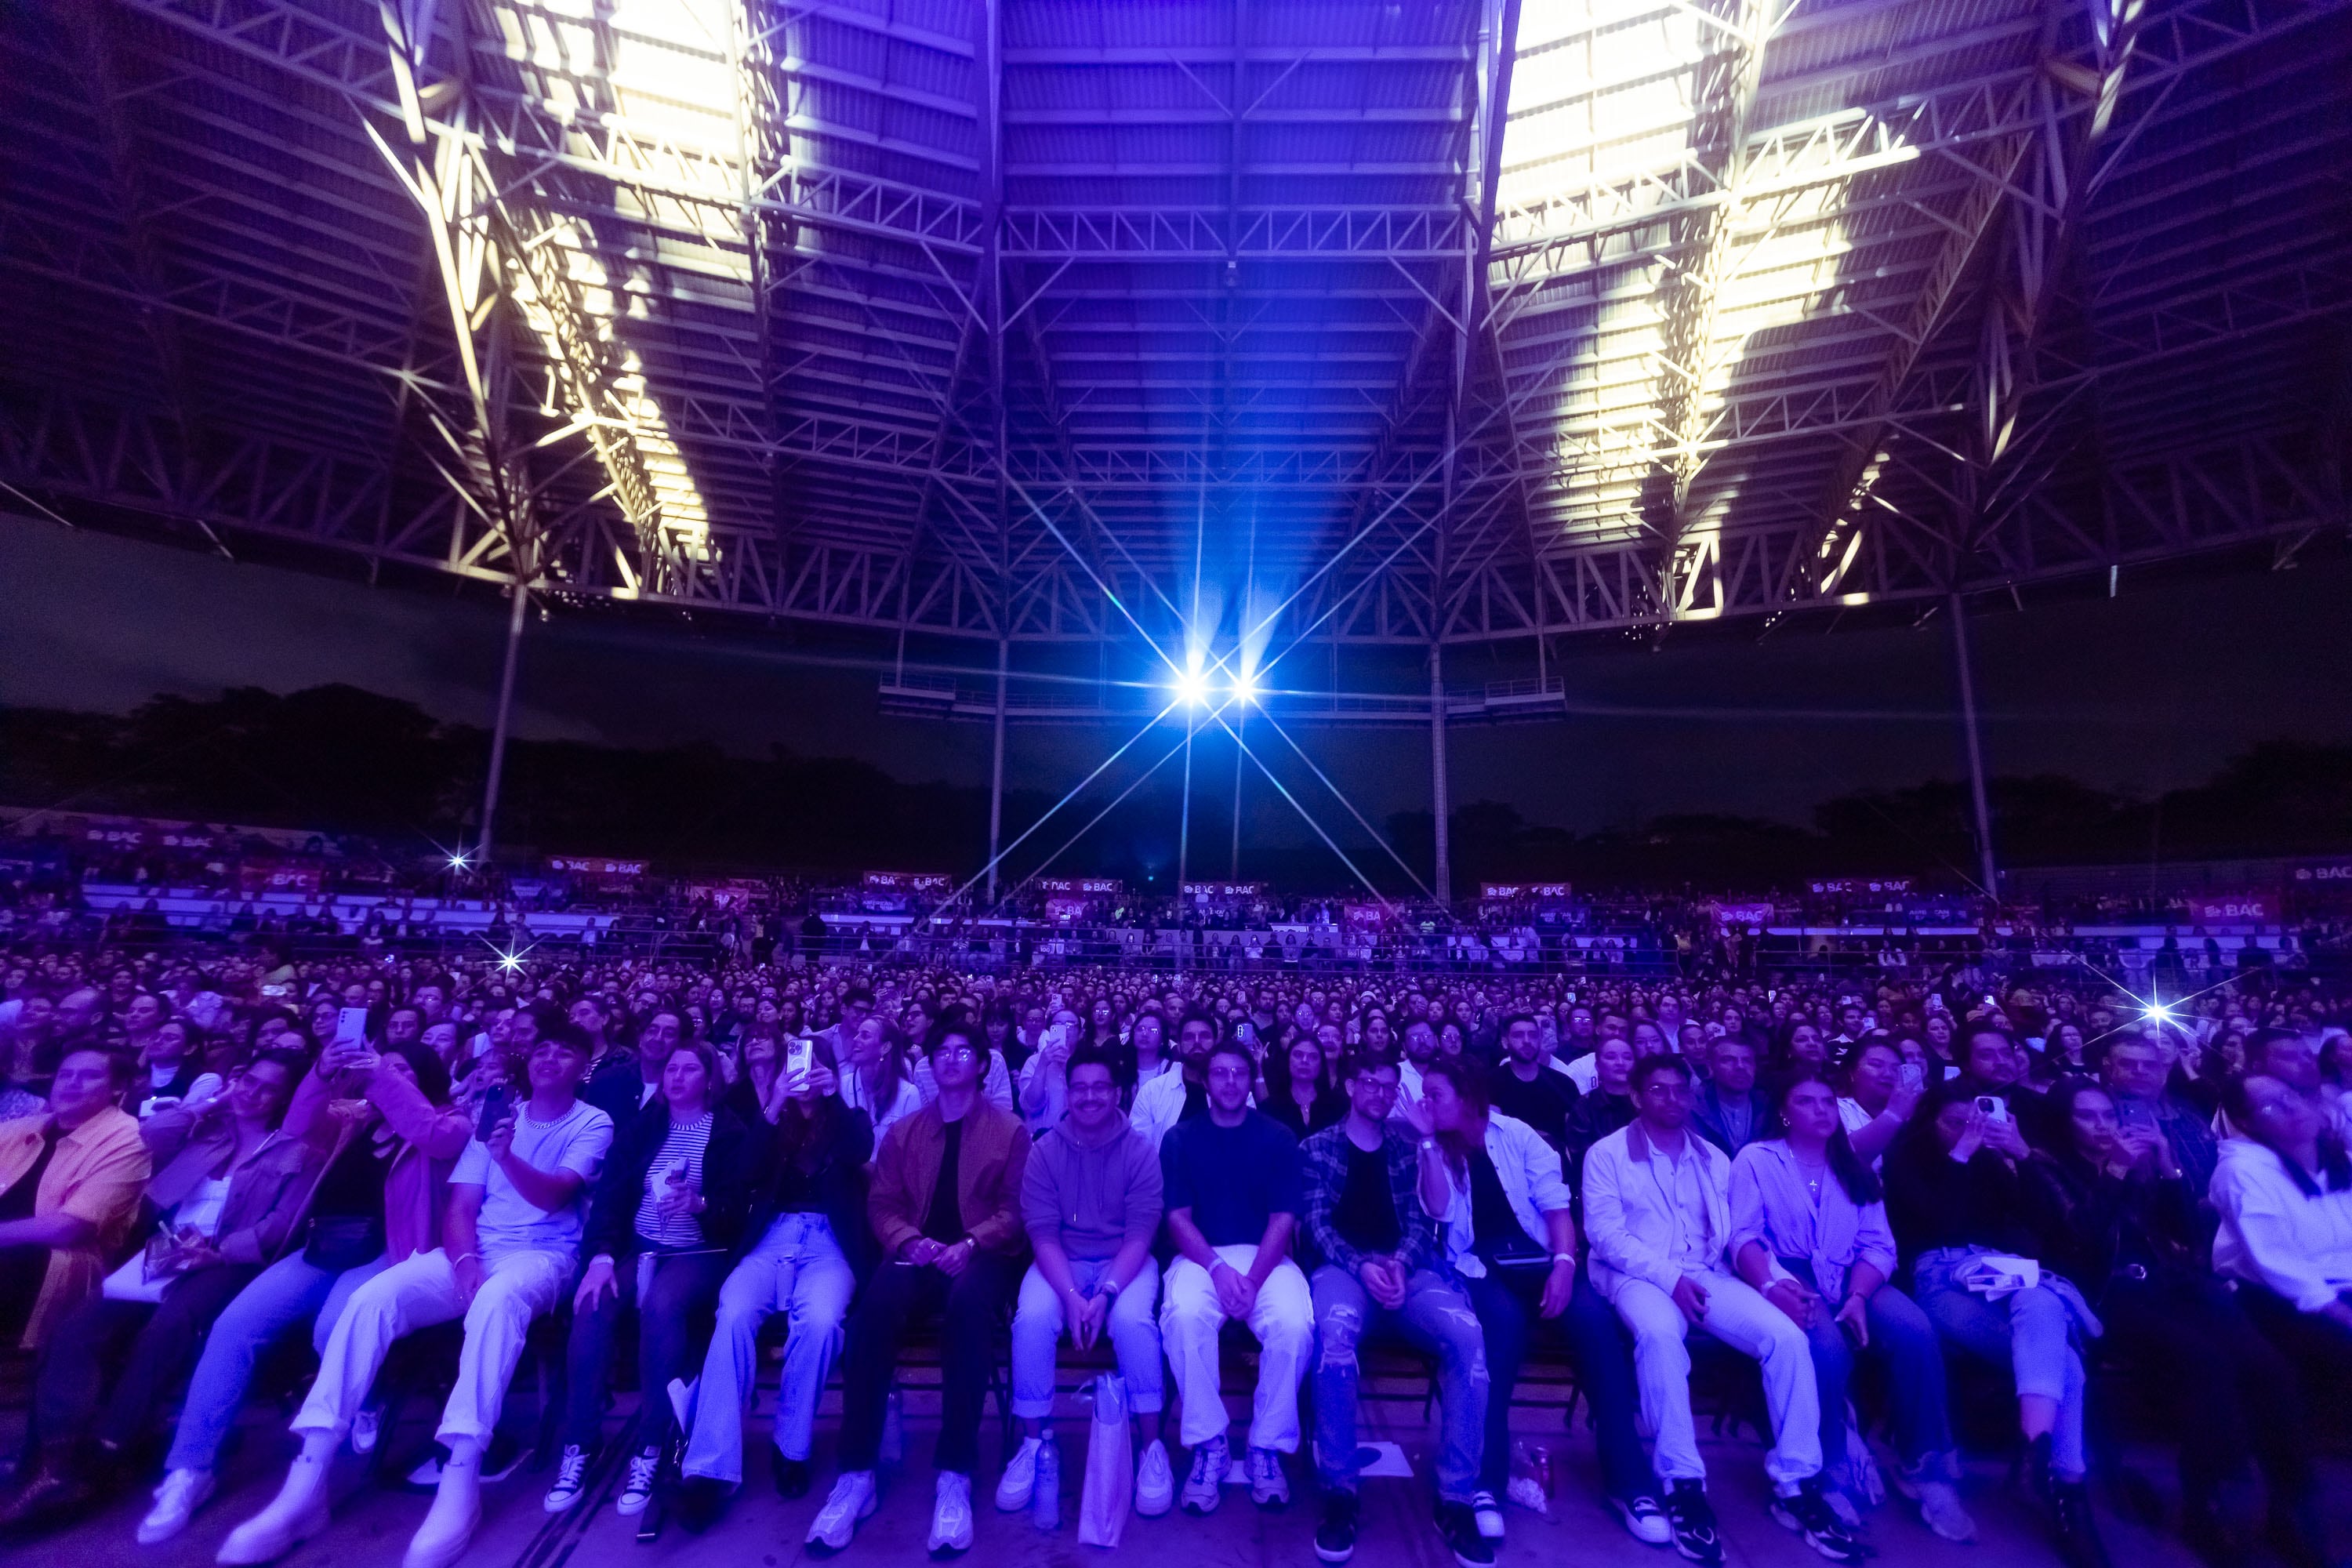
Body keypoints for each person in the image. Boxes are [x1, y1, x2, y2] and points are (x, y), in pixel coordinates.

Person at [218, 1024, 614, 1568]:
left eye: (563, 1050)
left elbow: (553, 1196)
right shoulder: (497, 1116)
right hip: (476, 1251)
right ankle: (306, 1478)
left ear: (582, 1065)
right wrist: (463, 1259)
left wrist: (506, 1158)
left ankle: (462, 1472)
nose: (549, 1057)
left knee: (498, 1303)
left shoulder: (594, 1121)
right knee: (372, 1299)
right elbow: (460, 1206)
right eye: (541, 1048)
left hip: (543, 1256)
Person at [136, 1040, 468, 1546]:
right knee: (233, 1329)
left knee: (335, 1326)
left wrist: (381, 1074)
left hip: (393, 1249)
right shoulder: (352, 1120)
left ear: (425, 1080)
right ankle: (190, 1469)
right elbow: (295, 1129)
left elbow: (432, 1135)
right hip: (321, 1245)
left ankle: (367, 1398)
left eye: (402, 1072)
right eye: (381, 1069)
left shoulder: (450, 1122)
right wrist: (320, 1070)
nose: (384, 1077)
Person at [1, 1052, 311, 1530]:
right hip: (164, 1251)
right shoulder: (209, 1134)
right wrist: (214, 1103)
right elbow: (149, 1134)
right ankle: (58, 1450)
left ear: (285, 1098)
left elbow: (279, 1225)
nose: (253, 1093)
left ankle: (110, 1445)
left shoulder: (294, 1151)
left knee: (171, 1324)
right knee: (83, 1325)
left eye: (268, 1088)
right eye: (248, 1081)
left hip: (224, 1260)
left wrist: (222, 1250)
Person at [2023, 1076, 2321, 1567]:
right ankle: (2206, 1505)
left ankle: (2291, 1504)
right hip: (2108, 1295)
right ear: (2063, 1121)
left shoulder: (2137, 1165)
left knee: (2269, 1367)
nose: (2103, 1126)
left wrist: (2166, 1168)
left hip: (2173, 1283)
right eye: (2087, 1116)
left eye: (2109, 1115)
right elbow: (2083, 1239)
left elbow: (2186, 1231)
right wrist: (2116, 1170)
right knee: (2208, 1367)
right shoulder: (2044, 1167)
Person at [1583, 1053, 1857, 1565]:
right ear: (1637, 1097)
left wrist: (1775, 1281)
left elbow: (1734, 1235)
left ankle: (1798, 1484)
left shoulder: (1712, 1156)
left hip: (1706, 1273)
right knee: (1661, 1338)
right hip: (1636, 1275)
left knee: (1788, 1338)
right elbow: (1606, 1235)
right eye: (1659, 1090)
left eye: (1681, 1090)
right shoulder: (1608, 1153)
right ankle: (1683, 1482)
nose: (1673, 1099)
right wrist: (1670, 1278)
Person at [1406, 1056, 1667, 1549]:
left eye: (1435, 1094)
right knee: (1498, 1331)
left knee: (1597, 1328)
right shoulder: (1432, 1147)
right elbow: (1438, 1209)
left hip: (1539, 1258)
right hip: (1475, 1267)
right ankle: (1486, 1482)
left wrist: (1566, 1265)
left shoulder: (1517, 1135)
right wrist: (1425, 1140)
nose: (1426, 1104)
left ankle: (1630, 1485)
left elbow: (1555, 1205)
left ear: (1466, 1096)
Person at [804, 1014, 1026, 1557]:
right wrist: (908, 1241)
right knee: (873, 1315)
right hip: (919, 1251)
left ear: (981, 1064)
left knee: (969, 1315)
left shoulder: (1009, 1130)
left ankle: (955, 1472)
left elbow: (1015, 1212)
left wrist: (969, 1244)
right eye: (941, 1051)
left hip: (981, 1254)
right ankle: (857, 1474)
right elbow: (882, 1205)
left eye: (963, 1051)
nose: (952, 1059)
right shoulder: (906, 1133)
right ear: (929, 1063)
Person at [1729, 1073, 1973, 1542]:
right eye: (1806, 1101)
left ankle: (1925, 1467)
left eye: (1827, 1101)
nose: (1822, 1110)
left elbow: (1879, 1244)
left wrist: (1859, 1296)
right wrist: (1769, 1284)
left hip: (1853, 1274)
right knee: (1827, 1350)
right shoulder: (1756, 1160)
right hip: (1789, 1274)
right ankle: (1827, 1466)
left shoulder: (1856, 1165)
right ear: (1784, 1112)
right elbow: (1744, 1234)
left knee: (1914, 1331)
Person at [1884, 1086, 2103, 1568]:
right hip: (1938, 1272)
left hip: (2000, 1268)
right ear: (1930, 1121)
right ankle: (2066, 1485)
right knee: (2063, 1360)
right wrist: (1961, 1156)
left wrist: (2021, 1155)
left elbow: (2048, 1223)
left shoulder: (1993, 1160)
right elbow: (1940, 1222)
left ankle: (2035, 1452)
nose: (1969, 1130)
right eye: (1954, 1122)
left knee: (2041, 1303)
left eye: (1975, 1121)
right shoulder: (1907, 1157)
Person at [546, 1040, 757, 1518]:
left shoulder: (729, 1133)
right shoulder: (643, 1129)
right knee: (593, 1302)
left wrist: (701, 1206)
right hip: (640, 1246)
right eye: (672, 1068)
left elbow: (740, 1212)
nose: (676, 1075)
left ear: (710, 1080)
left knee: (662, 1304)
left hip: (700, 1251)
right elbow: (612, 1202)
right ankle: (580, 1444)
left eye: (689, 1069)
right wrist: (600, 1255)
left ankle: (650, 1444)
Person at [1299, 1054, 1490, 1567]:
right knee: (1333, 1335)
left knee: (1468, 1338)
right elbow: (1316, 1225)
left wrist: (1401, 1265)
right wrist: (1364, 1267)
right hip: (1343, 1272)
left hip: (1408, 1271)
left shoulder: (1408, 1148)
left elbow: (1423, 1218)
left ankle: (1457, 1498)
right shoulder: (1316, 1147)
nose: (1380, 1094)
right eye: (1369, 1084)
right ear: (1348, 1085)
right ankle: (1341, 1492)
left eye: (1389, 1087)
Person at [677, 1036, 872, 1523]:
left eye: (817, 1067)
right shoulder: (771, 1118)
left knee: (822, 1322)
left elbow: (858, 1148)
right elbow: (744, 1173)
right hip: (773, 1236)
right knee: (734, 1315)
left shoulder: (848, 1118)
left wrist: (835, 1097)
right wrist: (776, 1102)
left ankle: (791, 1446)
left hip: (830, 1239)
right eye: (799, 1067)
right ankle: (710, 1466)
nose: (807, 1075)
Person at [998, 1049, 1172, 1520]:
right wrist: (1074, 1297)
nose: (1090, 1097)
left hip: (1124, 1263)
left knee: (1135, 1321)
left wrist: (1106, 1294)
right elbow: (1042, 1232)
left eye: (1101, 1088)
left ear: (1117, 1094)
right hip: (1063, 1263)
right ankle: (1033, 1444)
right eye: (1081, 1088)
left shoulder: (1140, 1152)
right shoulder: (1045, 1150)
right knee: (1032, 1318)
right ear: (1068, 1092)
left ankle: (1151, 1445)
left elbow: (1141, 1234)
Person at [1158, 1036, 1312, 1515]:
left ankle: (1267, 1445)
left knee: (1293, 1324)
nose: (1229, 1082)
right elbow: (1178, 1218)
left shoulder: (1278, 1137)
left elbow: (1284, 1218)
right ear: (1205, 1080)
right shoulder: (1181, 1139)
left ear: (1251, 1080)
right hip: (1202, 1259)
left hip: (1267, 1258)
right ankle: (1210, 1445)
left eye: (1239, 1074)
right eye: (1220, 1073)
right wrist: (1220, 1270)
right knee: (1183, 1317)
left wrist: (1253, 1279)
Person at [2210, 1071, 2352, 1404]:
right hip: (2289, 1299)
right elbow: (2278, 1262)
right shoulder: (2242, 1172)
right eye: (2272, 1107)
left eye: (2290, 1096)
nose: (2291, 1108)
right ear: (2247, 1123)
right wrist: (2342, 1314)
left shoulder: (2337, 1159)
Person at [0, 1047, 151, 1351]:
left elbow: (70, 1227)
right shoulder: (24, 1128)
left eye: (89, 1076)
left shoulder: (129, 1139)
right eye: (65, 1075)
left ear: (118, 1087)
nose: (72, 1083)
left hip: (56, 1258)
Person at [2100, 1037, 2219, 1199]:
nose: (2139, 1070)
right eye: (2127, 1064)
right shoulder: (2098, 1119)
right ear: (2108, 1068)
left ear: (2162, 1071)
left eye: (2149, 1065)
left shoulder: (2186, 1114)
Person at [1131, 1010, 1221, 1152]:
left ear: (1216, 1043)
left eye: (1204, 1036)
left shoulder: (1236, 1092)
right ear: (1178, 1044)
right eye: (1189, 1037)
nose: (1197, 1042)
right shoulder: (1152, 1090)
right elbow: (1138, 1148)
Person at [1486, 1013, 1579, 1151]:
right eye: (1518, 1035)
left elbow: (1575, 1136)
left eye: (1533, 1035)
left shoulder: (1563, 1083)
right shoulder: (1491, 1083)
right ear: (1505, 1043)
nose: (1527, 1041)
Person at [1690, 1036, 1779, 1158]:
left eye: (1747, 1061)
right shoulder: (1692, 1109)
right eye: (1728, 1060)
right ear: (1711, 1065)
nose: (1740, 1066)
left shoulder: (1772, 1108)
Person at [1263, 1027, 1345, 1140]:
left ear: (1321, 1065)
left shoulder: (1339, 1106)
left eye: (1313, 1057)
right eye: (1298, 1055)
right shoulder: (1270, 1108)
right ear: (1288, 1060)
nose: (1305, 1061)